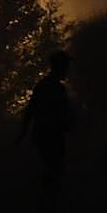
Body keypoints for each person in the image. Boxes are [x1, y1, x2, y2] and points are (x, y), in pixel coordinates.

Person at [16, 50, 74, 199]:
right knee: (55, 169)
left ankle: (46, 201)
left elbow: (31, 110)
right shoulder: (54, 87)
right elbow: (34, 110)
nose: (67, 70)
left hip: (44, 133)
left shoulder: (44, 85)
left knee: (53, 169)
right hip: (50, 134)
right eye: (66, 67)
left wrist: (23, 133)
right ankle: (45, 202)